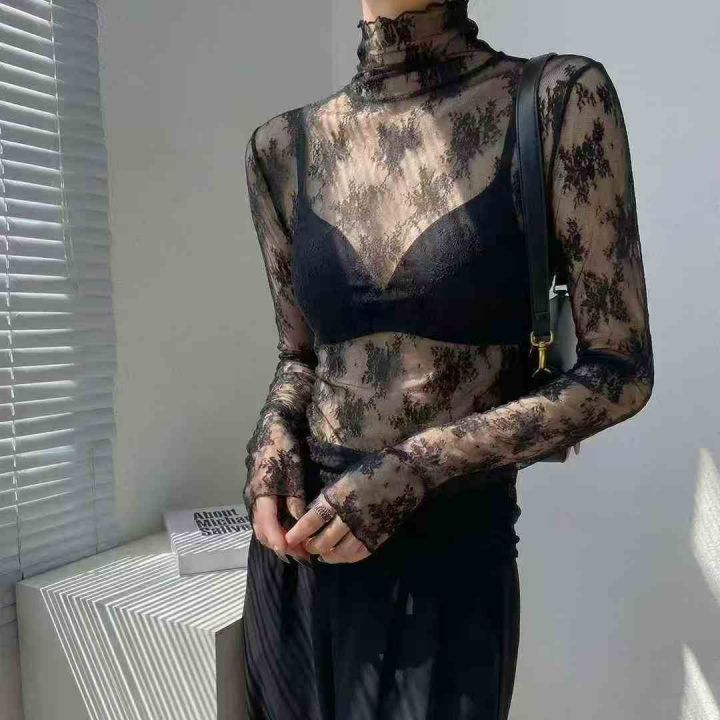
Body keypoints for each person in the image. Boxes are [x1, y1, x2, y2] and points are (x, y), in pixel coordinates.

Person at [240, 0, 655, 718]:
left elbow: (621, 370)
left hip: (448, 562)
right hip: (301, 556)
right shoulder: (279, 147)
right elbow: (299, 355)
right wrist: (271, 442)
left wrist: (414, 467)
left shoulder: (556, 100)